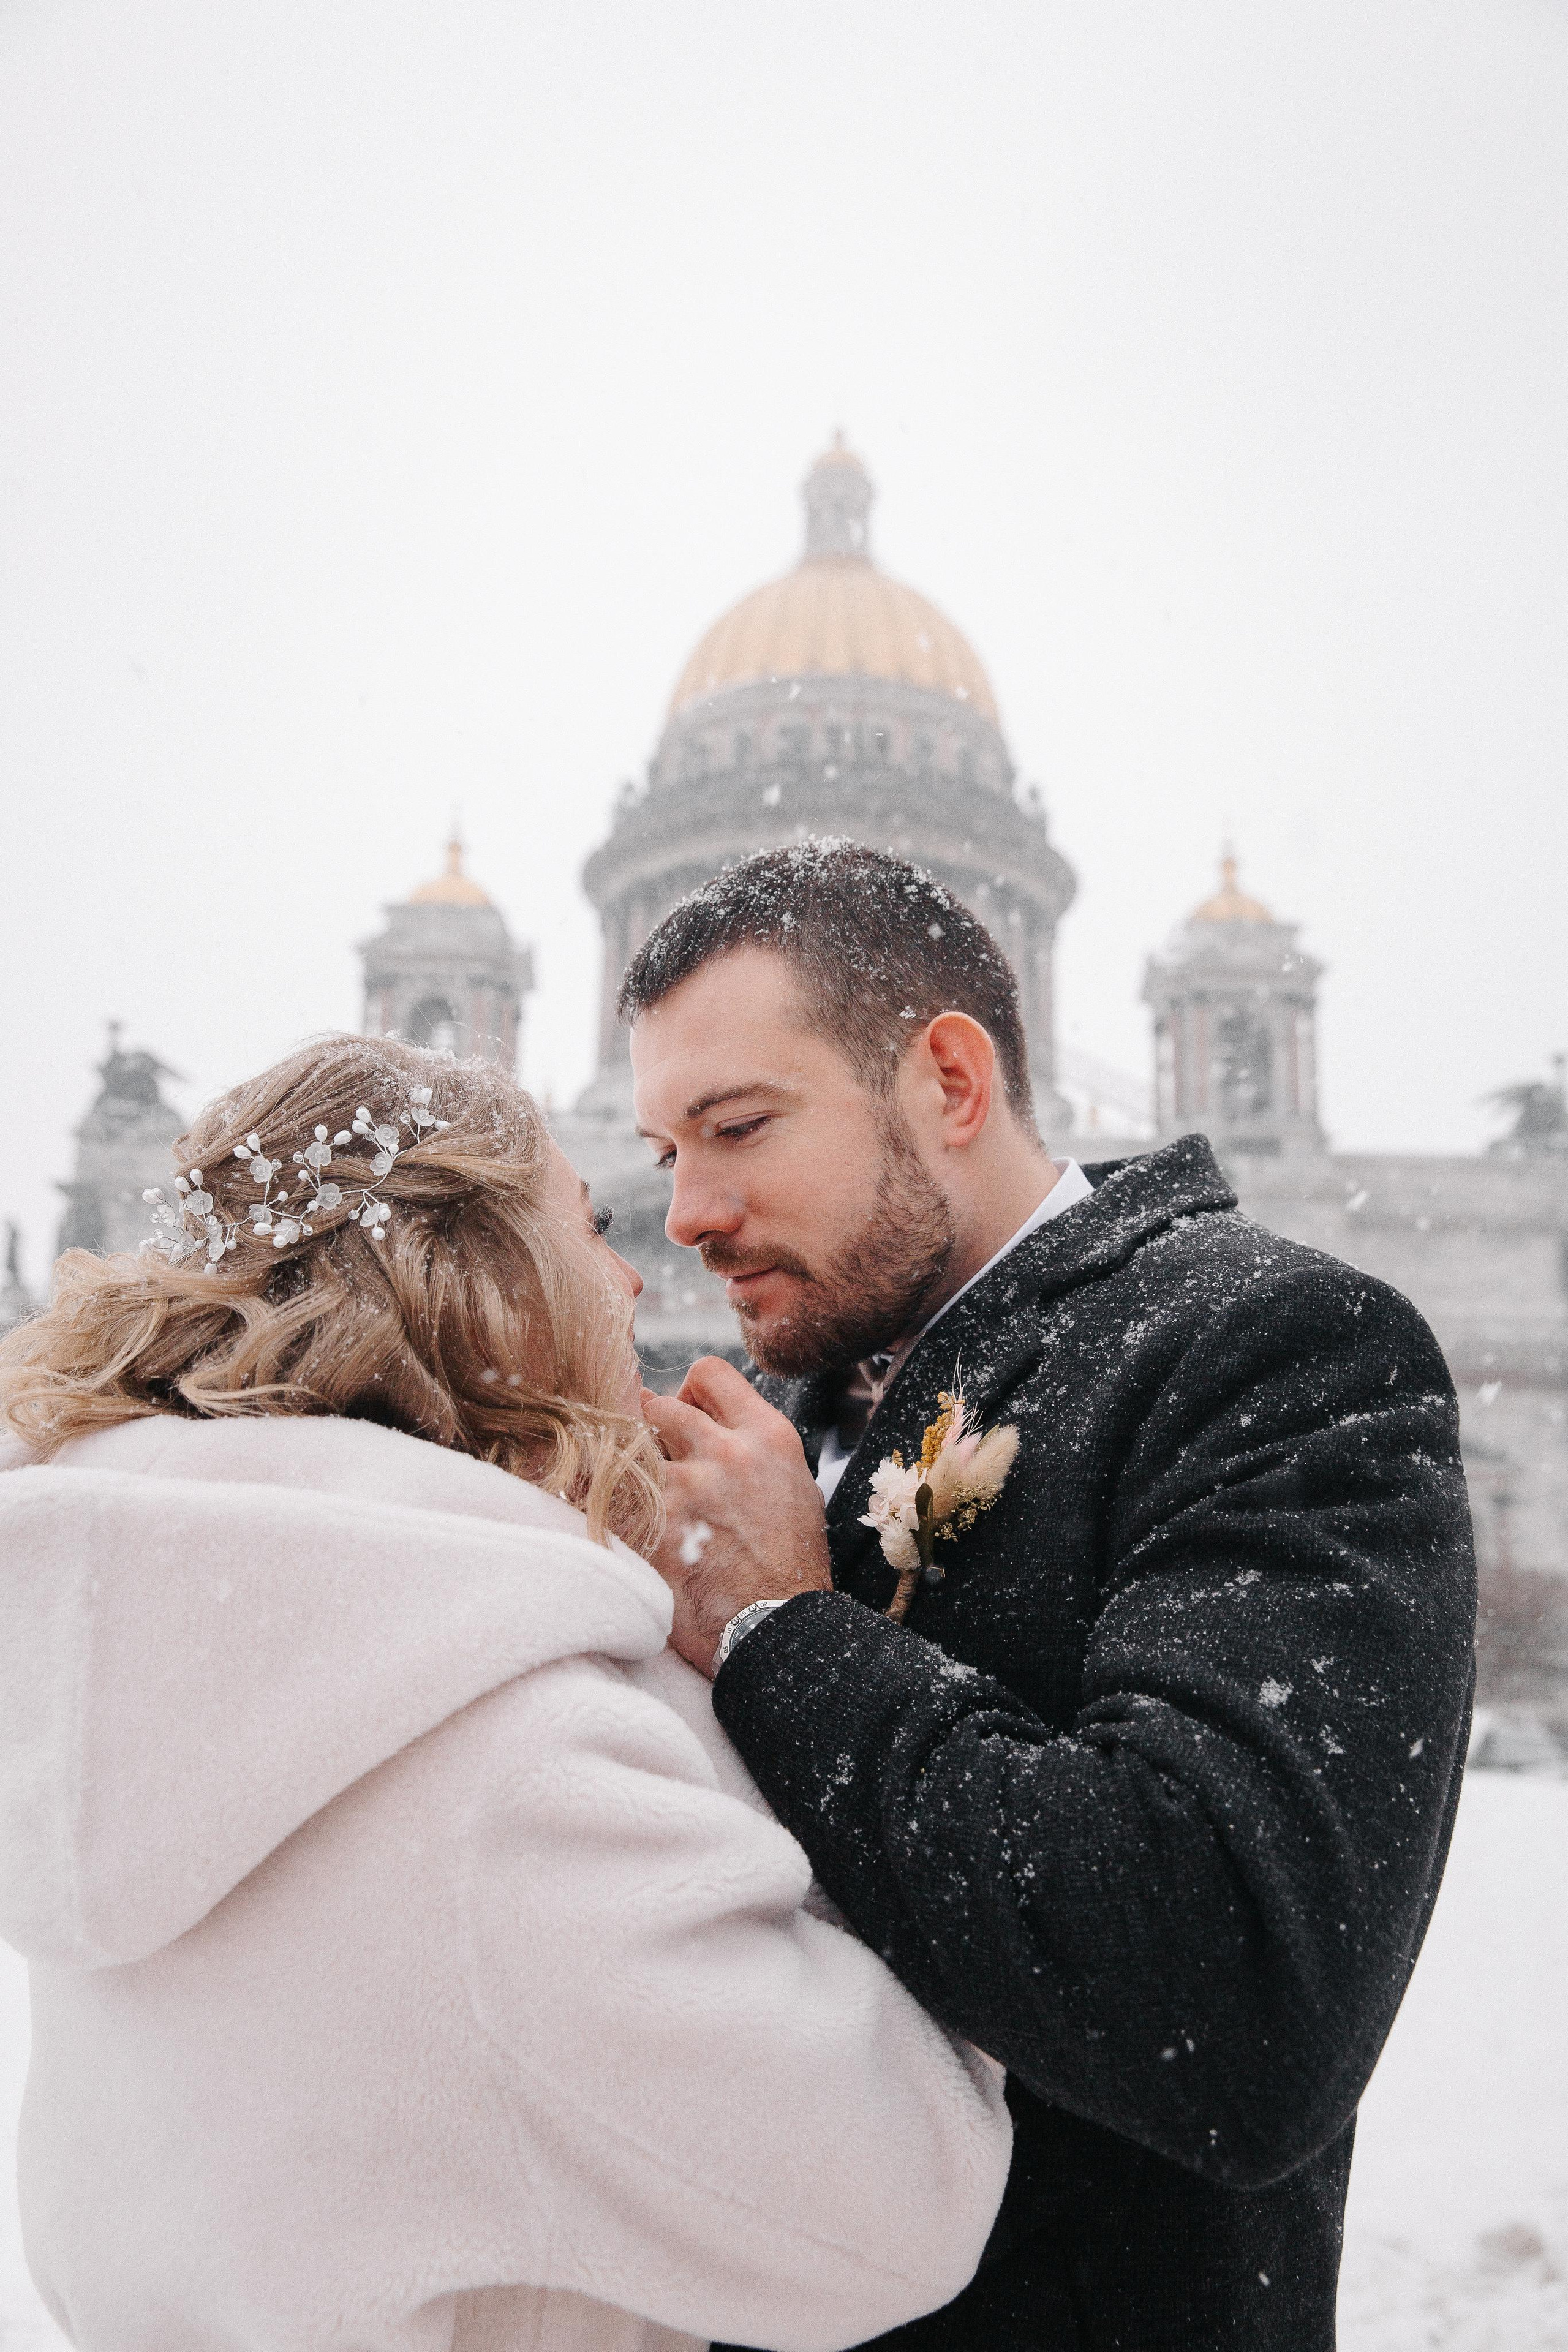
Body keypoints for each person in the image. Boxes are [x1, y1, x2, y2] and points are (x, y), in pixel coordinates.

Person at [0, 1034, 1011, 2352]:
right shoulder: (500, 1763)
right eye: (588, 1226)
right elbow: (899, 2201)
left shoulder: (135, 1658)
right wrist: (794, 1641)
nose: (634, 1276)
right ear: (484, 1284)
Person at [628, 840, 1478, 2352]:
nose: (687, 1213)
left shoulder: (1270, 1351)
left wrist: (780, 1634)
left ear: (949, 1081)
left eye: (738, 1126)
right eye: (658, 1157)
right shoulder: (757, 1421)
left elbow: (1232, 2000)